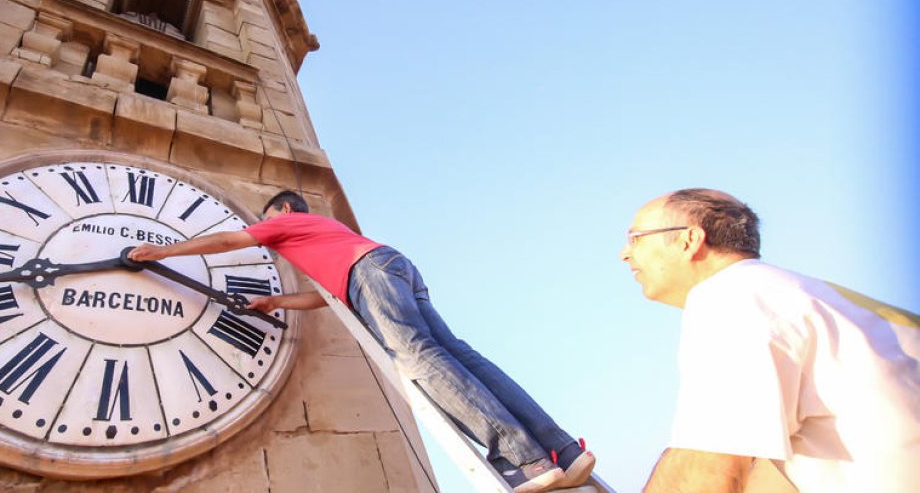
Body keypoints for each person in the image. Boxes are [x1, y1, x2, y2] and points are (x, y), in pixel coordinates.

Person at [130, 190, 594, 493]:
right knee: (460, 355)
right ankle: (563, 452)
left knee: (416, 358)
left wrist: (163, 252)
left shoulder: (286, 224)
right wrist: (278, 303)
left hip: (368, 273)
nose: (265, 234)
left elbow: (232, 240)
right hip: (391, 267)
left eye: (267, 222)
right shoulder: (332, 234)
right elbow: (332, 296)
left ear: (285, 212)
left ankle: (526, 460)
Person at [621, 188, 920, 493]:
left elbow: (706, 472)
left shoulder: (730, 296)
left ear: (689, 240)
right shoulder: (829, 306)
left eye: (636, 238)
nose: (625, 253)